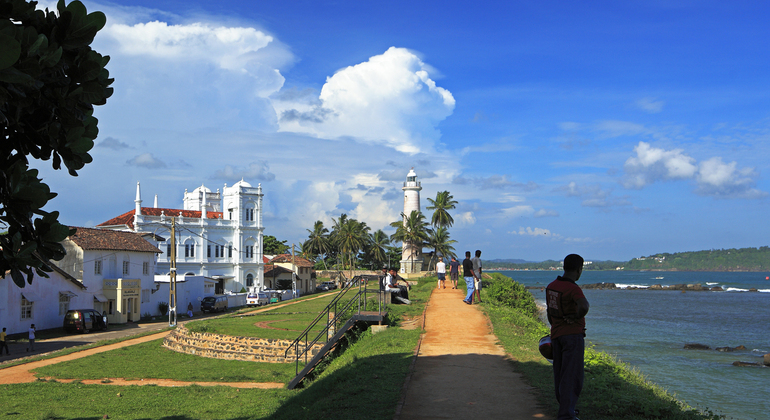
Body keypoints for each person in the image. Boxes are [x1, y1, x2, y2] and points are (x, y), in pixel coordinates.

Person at [546, 254, 590, 420]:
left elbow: (550, 313)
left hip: (557, 335)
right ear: (579, 269)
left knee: (560, 374)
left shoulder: (551, 286)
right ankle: (566, 414)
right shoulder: (573, 289)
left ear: (564, 267)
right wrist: (576, 317)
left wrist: (556, 325)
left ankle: (566, 408)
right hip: (572, 336)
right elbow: (584, 306)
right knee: (572, 375)